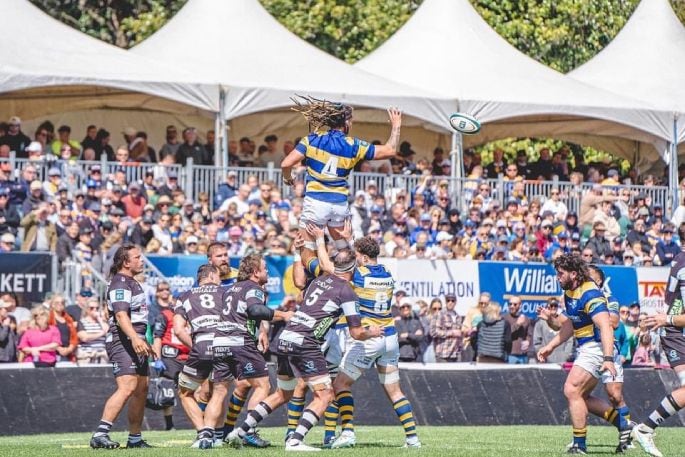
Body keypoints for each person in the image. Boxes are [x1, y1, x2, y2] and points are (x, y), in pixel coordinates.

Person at [225, 249, 381, 452]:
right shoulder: (346, 291)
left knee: (282, 394)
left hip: (285, 338)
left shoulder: (318, 281)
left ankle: (240, 431)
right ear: (352, 268)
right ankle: (295, 441)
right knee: (325, 396)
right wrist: (372, 332)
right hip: (305, 342)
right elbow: (357, 333)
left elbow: (304, 298)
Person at [281, 97, 401, 266]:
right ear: (345, 122)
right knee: (345, 254)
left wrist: (288, 179)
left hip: (315, 204)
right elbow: (390, 150)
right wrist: (396, 126)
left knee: (305, 253)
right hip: (339, 206)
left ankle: (317, 282)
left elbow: (286, 164)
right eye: (351, 121)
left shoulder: (312, 140)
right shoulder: (354, 145)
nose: (351, 124)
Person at [327, 236, 421, 449]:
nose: (356, 260)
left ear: (366, 257)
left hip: (370, 336)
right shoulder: (387, 273)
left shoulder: (359, 274)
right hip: (390, 337)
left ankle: (348, 432)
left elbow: (332, 268)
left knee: (340, 384)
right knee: (395, 391)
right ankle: (413, 439)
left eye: (358, 256)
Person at [537, 254, 617, 454]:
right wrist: (551, 346)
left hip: (596, 347)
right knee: (583, 397)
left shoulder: (589, 293)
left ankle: (579, 445)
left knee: (572, 389)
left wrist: (608, 359)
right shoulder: (570, 291)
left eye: (560, 273)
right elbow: (569, 325)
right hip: (586, 347)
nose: (557, 277)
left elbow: (606, 326)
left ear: (573, 274)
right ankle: (626, 427)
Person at [213, 254, 293, 448]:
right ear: (256, 272)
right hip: (239, 340)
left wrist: (261, 330)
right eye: (265, 269)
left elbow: (244, 313)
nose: (267, 272)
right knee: (262, 385)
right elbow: (255, 310)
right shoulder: (253, 288)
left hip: (220, 342)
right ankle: (247, 432)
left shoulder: (231, 288)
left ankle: (214, 435)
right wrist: (284, 314)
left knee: (225, 389)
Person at [90, 244, 155, 449]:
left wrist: (142, 340)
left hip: (135, 338)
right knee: (127, 387)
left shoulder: (131, 281)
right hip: (122, 339)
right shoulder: (120, 282)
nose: (141, 260)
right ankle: (100, 434)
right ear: (126, 262)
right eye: (137, 257)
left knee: (141, 388)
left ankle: (134, 439)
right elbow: (120, 315)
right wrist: (135, 338)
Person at [631, 226, 685, 457]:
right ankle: (645, 428)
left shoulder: (680, 259)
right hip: (676, 332)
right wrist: (667, 319)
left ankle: (645, 428)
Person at [172, 264, 235, 449]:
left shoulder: (185, 296)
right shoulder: (226, 293)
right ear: (213, 275)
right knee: (220, 391)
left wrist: (196, 347)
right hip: (223, 345)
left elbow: (178, 330)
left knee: (185, 392)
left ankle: (202, 433)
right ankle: (212, 433)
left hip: (201, 345)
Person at [152, 283, 191, 433]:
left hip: (189, 356)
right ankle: (169, 424)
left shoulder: (192, 315)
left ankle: (201, 420)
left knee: (196, 390)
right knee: (168, 392)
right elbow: (157, 337)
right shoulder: (165, 315)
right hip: (170, 357)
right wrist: (158, 358)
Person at [533, 298, 573, 363]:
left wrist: (566, 356)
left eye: (555, 305)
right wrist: (541, 354)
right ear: (547, 307)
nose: (553, 307)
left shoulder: (564, 320)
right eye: (551, 305)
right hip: (545, 361)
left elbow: (570, 341)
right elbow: (537, 342)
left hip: (562, 361)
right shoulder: (540, 323)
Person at [430, 293, 462, 363]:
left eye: (452, 300)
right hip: (443, 354)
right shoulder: (439, 314)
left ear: (455, 302)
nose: (450, 302)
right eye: (448, 300)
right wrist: (452, 333)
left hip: (456, 354)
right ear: (445, 302)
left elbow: (459, 335)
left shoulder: (458, 317)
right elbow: (433, 332)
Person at [76, 299, 109, 364]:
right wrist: (102, 333)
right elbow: (84, 338)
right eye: (91, 308)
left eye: (97, 308)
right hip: (86, 356)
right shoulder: (81, 322)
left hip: (101, 355)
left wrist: (100, 319)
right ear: (86, 309)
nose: (95, 310)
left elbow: (107, 331)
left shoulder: (101, 322)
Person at [503, 296, 532, 364]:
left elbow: (529, 334)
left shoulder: (526, 319)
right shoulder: (504, 318)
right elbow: (504, 334)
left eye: (515, 304)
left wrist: (528, 341)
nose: (512, 306)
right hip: (509, 355)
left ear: (520, 305)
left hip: (523, 355)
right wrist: (517, 324)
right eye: (510, 304)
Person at [396, 298, 425, 362]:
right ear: (400, 309)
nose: (405, 308)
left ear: (410, 308)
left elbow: (420, 338)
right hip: (399, 357)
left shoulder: (416, 322)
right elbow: (396, 339)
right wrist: (413, 336)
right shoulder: (396, 323)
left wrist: (407, 335)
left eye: (408, 306)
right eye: (403, 307)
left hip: (414, 356)